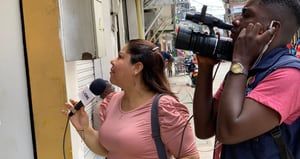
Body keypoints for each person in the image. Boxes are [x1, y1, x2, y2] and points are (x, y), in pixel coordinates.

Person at [193, 0, 300, 159]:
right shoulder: (247, 70)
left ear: (272, 28)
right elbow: (204, 129)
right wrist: (205, 67)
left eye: (246, 15)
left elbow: (229, 132)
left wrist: (240, 61)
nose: (236, 21)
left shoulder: (290, 75)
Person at [64, 39, 199, 159]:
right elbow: (107, 149)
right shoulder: (112, 101)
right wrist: (85, 128)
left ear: (137, 68)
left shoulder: (164, 108)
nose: (112, 61)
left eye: (120, 57)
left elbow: (190, 156)